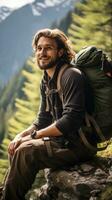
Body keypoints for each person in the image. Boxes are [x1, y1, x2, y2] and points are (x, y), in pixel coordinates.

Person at [1, 28, 97, 200]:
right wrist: (20, 135)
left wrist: (34, 136)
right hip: (61, 141)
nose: (42, 53)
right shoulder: (46, 80)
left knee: (26, 151)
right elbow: (43, 119)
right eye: (39, 48)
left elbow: (71, 120)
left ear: (60, 52)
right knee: (17, 146)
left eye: (48, 48)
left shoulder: (71, 75)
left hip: (78, 145)